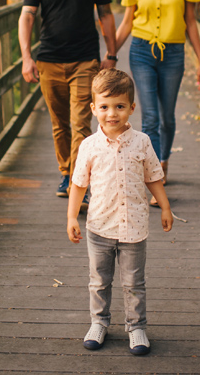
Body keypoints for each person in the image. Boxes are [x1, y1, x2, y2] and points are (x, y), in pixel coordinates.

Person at [66, 68, 172, 355]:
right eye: (104, 107)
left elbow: (153, 177)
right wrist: (71, 217)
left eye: (119, 106)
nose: (111, 113)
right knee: (99, 281)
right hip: (99, 226)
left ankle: (136, 327)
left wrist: (164, 206)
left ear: (132, 108)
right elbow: (77, 185)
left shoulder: (142, 142)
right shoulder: (89, 146)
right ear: (93, 108)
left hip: (133, 228)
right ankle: (98, 323)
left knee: (134, 283)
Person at [19, 0, 118, 199]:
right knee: (59, 123)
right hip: (48, 60)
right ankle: (66, 173)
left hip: (85, 60)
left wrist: (111, 53)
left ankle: (79, 181)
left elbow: (106, 13)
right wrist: (27, 56)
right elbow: (27, 16)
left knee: (80, 123)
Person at [115, 0, 200, 192]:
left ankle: (163, 162)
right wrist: (111, 53)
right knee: (151, 117)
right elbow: (127, 23)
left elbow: (190, 23)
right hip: (141, 51)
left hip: (174, 54)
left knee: (167, 116)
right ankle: (154, 176)